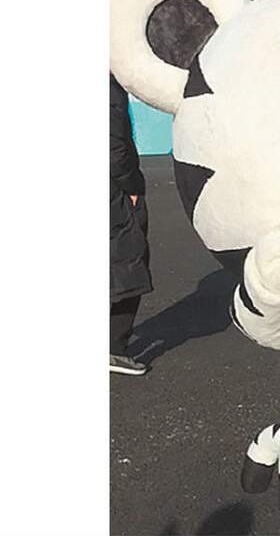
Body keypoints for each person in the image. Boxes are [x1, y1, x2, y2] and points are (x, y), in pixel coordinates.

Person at [110, 73, 152, 375]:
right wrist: (132, 185)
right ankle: (114, 349)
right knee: (128, 259)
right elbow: (113, 145)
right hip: (113, 191)